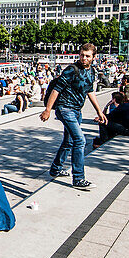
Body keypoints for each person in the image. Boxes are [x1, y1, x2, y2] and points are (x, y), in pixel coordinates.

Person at [40, 43, 107, 190]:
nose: (84, 58)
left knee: (69, 142)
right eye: (82, 55)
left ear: (94, 57)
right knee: (80, 140)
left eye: (87, 56)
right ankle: (78, 178)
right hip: (65, 109)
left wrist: (99, 112)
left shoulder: (92, 72)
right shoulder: (72, 70)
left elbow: (90, 92)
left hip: (77, 110)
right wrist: (48, 110)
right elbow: (56, 90)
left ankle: (55, 169)